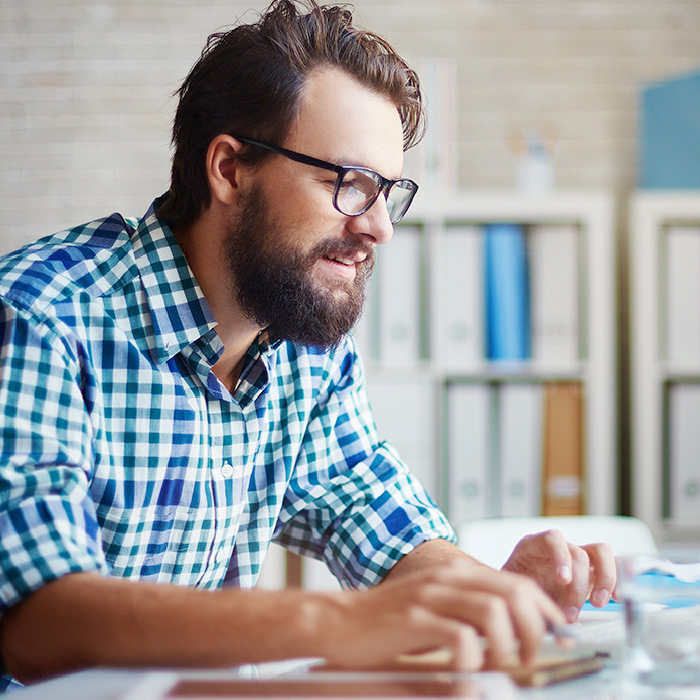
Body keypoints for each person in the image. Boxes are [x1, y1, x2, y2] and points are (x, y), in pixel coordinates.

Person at [0, 0, 616, 690]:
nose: (380, 227)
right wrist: (340, 623)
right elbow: (35, 624)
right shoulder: (42, 315)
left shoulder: (299, 339)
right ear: (230, 169)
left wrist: (494, 600)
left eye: (388, 191)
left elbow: (378, 521)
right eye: (348, 184)